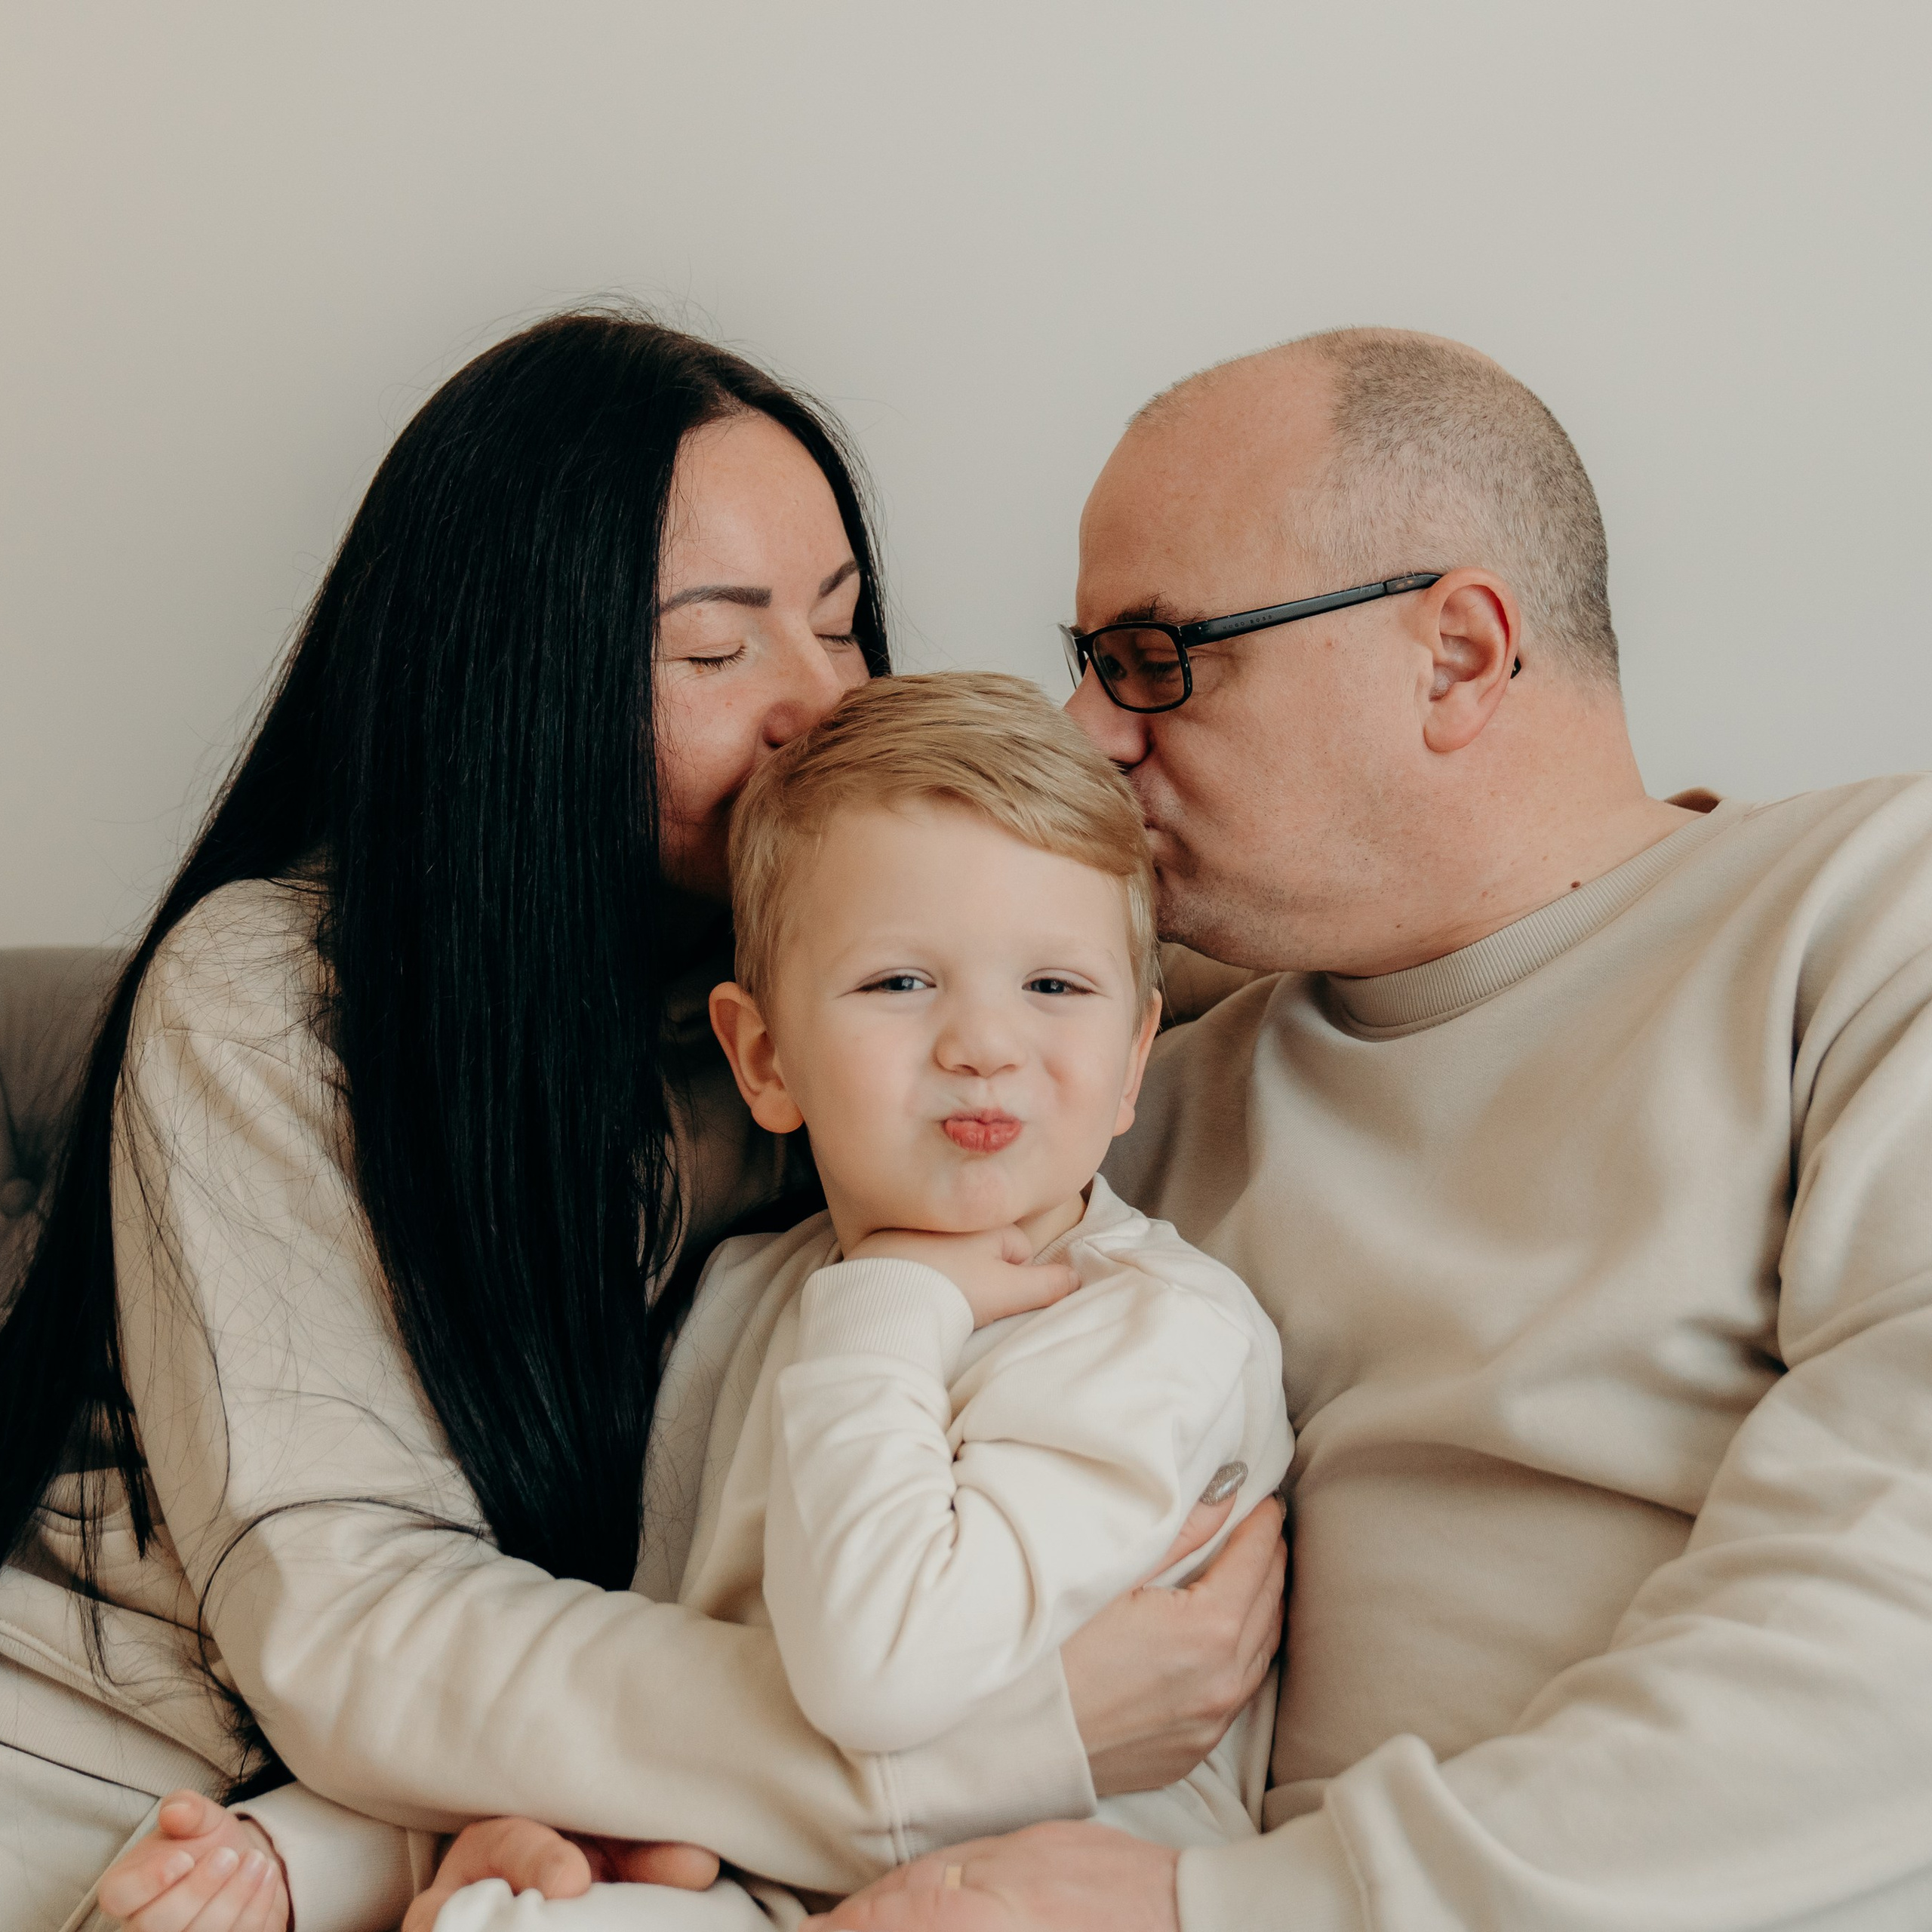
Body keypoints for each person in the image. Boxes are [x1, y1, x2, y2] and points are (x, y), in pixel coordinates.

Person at [0, 312, 1278, 1932]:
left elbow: (1142, 959)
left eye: (837, 626)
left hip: (479, 1816)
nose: (813, 705)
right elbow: (351, 1628)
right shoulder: (278, 1000)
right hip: (129, 1774)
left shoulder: (859, 1002)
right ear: (520, 685)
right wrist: (999, 1744)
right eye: (714, 650)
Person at [805, 328, 1932, 1929]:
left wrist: (1230, 1908)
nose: (1084, 729)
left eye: (1153, 656)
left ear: (1456, 656)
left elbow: (1902, 1624)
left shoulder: (1868, 920)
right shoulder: (1113, 1093)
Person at [418, 671, 1293, 1931]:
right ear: (764, 1058)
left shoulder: (1156, 1334)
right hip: (781, 1867)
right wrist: (324, 1849)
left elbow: (883, 1672)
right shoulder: (752, 1294)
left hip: (1044, 1897)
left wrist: (888, 1307)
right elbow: (641, 1668)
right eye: (900, 984)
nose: (983, 1043)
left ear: (1132, 1061)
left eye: (1054, 987)